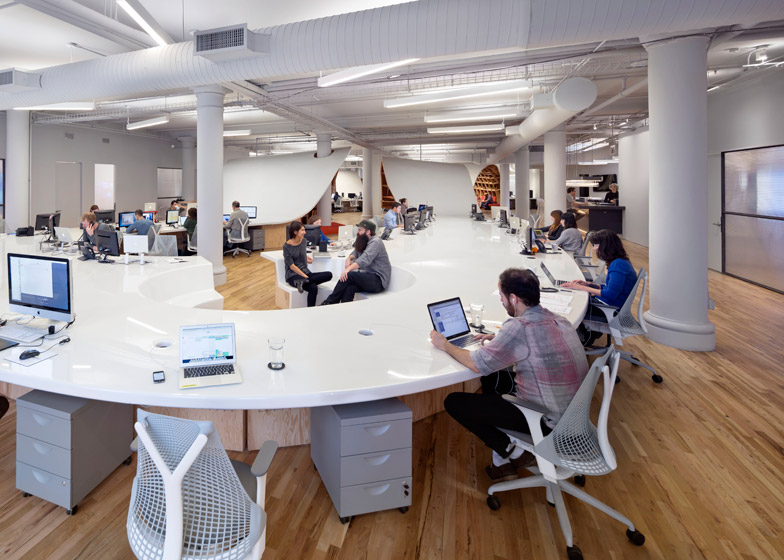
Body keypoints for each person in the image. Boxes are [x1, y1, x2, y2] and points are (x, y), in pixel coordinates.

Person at [432, 268, 589, 480]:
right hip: (574, 418)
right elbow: (533, 345)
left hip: (547, 423)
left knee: (455, 402)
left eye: (501, 296)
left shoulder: (519, 327)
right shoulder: (559, 320)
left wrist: (445, 345)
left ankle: (514, 452)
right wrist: (500, 340)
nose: (501, 301)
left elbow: (476, 363)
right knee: (493, 379)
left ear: (513, 299)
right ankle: (501, 461)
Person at [562, 229, 637, 344]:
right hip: (610, 305)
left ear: (607, 246)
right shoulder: (620, 262)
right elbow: (609, 287)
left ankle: (583, 339)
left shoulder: (618, 265)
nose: (595, 248)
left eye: (596, 245)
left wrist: (582, 288)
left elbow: (611, 294)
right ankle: (587, 335)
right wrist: (589, 284)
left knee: (574, 306)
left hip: (611, 309)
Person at [321, 220, 391, 304]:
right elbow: (356, 252)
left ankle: (329, 302)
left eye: (360, 230)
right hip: (368, 277)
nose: (357, 232)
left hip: (378, 281)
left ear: (368, 232)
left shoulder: (376, 242)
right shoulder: (363, 239)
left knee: (349, 275)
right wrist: (349, 258)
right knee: (350, 287)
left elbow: (364, 260)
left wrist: (348, 269)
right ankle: (344, 309)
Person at [283, 221, 334, 307]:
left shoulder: (303, 241)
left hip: (305, 273)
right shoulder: (286, 246)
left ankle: (303, 282)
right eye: (302, 230)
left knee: (329, 274)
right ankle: (310, 310)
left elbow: (299, 254)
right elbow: (292, 266)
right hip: (293, 276)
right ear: (295, 232)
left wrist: (306, 258)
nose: (305, 232)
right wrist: (304, 276)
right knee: (313, 287)